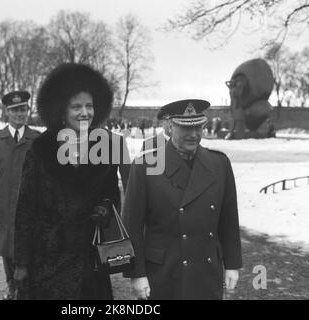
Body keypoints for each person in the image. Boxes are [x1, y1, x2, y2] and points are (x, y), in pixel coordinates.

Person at [13, 63, 130, 300]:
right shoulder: (40, 149)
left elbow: (112, 196)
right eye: (76, 106)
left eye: (89, 106)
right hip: (47, 260)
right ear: (61, 110)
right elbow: (25, 209)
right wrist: (22, 263)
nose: (84, 112)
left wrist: (105, 208)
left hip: (91, 260)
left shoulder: (107, 146)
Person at [122, 99, 242, 300]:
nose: (194, 134)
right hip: (163, 273)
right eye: (186, 128)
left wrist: (232, 264)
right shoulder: (146, 166)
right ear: (170, 127)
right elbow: (132, 224)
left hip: (206, 271)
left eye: (198, 127)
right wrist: (136, 273)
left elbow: (229, 220)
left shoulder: (219, 164)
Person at [0, 90, 40, 300]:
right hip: (3, 206)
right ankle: (11, 285)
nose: (19, 114)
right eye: (14, 110)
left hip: (30, 208)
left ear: (28, 111)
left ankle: (26, 286)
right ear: (6, 112)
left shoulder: (37, 140)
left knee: (29, 246)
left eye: (23, 109)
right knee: (7, 249)